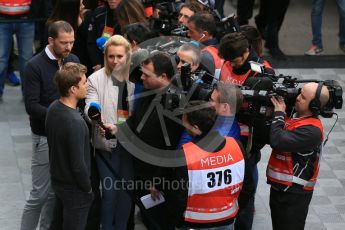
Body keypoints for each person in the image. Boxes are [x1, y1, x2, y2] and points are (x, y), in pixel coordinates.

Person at [103, 52, 184, 230]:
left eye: (146, 75)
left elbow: (172, 148)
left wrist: (158, 180)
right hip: (141, 169)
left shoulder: (175, 103)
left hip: (160, 178)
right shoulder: (150, 90)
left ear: (163, 77)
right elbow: (136, 119)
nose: (141, 78)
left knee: (159, 222)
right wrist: (118, 129)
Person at [22, 20, 79, 230]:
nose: (69, 47)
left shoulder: (72, 60)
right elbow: (32, 106)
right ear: (50, 40)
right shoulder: (34, 66)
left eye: (72, 42)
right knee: (39, 194)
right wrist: (62, 115)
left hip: (67, 136)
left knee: (55, 194)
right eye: (64, 43)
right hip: (44, 137)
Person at [218, 31, 274, 230]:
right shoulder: (226, 61)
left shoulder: (263, 71)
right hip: (225, 128)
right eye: (228, 61)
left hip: (249, 136)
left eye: (234, 61)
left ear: (246, 51)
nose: (231, 65)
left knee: (246, 186)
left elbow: (268, 109)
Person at [174, 100, 254, 230]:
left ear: (195, 127)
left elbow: (179, 197)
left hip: (194, 223)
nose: (183, 125)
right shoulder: (236, 145)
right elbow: (248, 187)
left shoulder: (185, 154)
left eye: (185, 122)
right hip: (227, 220)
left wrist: (177, 221)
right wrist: (235, 210)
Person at [85, 34, 135, 230]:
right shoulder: (95, 79)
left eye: (120, 56)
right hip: (106, 145)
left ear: (128, 56)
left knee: (126, 193)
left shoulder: (136, 78)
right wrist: (95, 115)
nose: (115, 60)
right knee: (110, 193)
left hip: (130, 146)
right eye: (111, 56)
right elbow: (90, 105)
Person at [267, 82, 330, 230]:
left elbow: (277, 141)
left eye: (303, 97)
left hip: (294, 194)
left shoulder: (311, 131)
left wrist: (278, 115)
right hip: (281, 188)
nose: (297, 98)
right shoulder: (297, 117)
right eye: (299, 93)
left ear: (314, 106)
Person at [46, 62, 93, 230]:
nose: (87, 85)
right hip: (75, 188)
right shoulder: (74, 122)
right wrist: (87, 189)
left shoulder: (53, 108)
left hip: (58, 181)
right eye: (84, 82)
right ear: (73, 89)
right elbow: (78, 164)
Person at [0, 0, 49, 100]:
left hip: (27, 17)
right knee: (1, 59)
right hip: (3, 19)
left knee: (26, 59)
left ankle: (28, 93)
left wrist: (34, 13)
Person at [87, 0, 122, 73]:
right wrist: (97, 63)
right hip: (100, 64)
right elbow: (91, 41)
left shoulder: (129, 13)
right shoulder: (98, 13)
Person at [187, 12, 222, 80]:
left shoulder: (203, 56)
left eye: (191, 32)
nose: (188, 34)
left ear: (204, 34)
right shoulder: (219, 46)